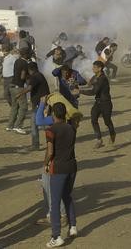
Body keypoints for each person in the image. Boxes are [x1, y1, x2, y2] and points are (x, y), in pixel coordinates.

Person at [44, 102, 78, 248]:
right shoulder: (71, 128)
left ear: (53, 114)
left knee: (55, 203)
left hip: (58, 168)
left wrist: (45, 163)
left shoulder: (51, 130)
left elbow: (50, 152)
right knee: (67, 196)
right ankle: (73, 226)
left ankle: (56, 236)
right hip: (72, 167)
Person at [15, 62, 50, 149]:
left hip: (40, 103)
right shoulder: (39, 75)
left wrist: (19, 94)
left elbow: (29, 88)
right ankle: (49, 142)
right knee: (44, 123)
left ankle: (36, 145)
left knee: (35, 123)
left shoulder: (35, 76)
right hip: (41, 102)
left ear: (30, 70)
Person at [82, 60, 116, 149]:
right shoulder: (95, 76)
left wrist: (80, 91)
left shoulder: (103, 79)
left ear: (100, 68)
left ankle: (112, 134)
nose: (92, 69)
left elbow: (94, 91)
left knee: (107, 121)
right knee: (93, 119)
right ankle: (99, 140)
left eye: (94, 67)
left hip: (106, 103)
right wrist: (76, 85)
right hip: (98, 102)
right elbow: (88, 84)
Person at [7, 48, 31, 134]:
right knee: (23, 107)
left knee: (14, 107)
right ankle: (18, 126)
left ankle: (10, 126)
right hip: (18, 87)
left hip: (12, 86)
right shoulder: (24, 63)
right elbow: (22, 76)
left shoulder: (17, 61)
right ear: (26, 55)